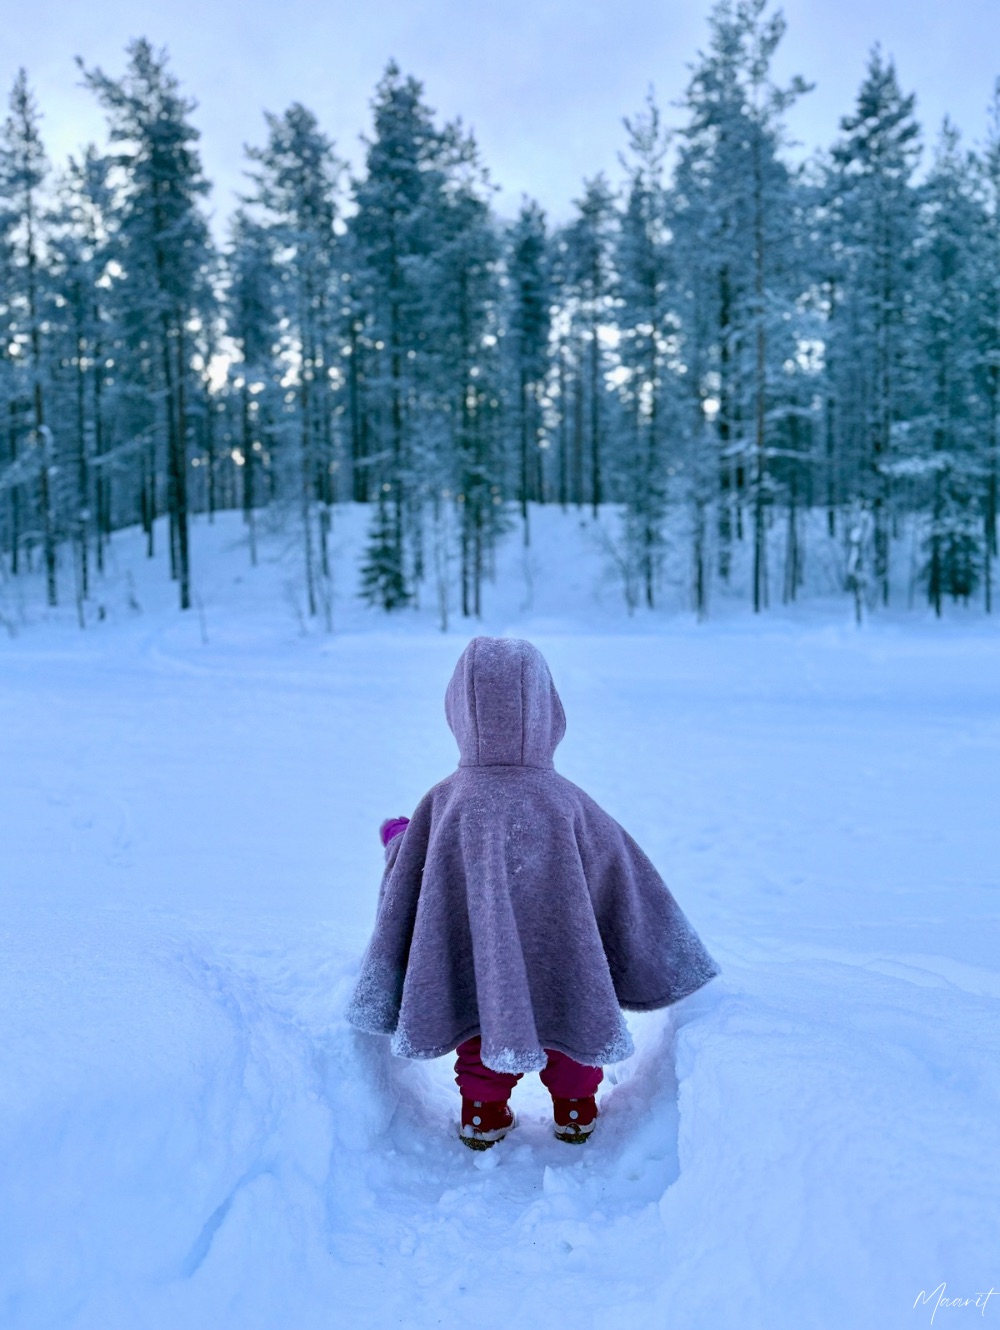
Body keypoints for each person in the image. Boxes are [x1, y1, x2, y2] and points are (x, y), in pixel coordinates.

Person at [346, 636, 718, 1149]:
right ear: (548, 710)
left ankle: (482, 1115)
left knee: (480, 1022)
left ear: (457, 711)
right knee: (572, 1024)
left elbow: (412, 873)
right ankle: (575, 1112)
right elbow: (621, 871)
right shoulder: (567, 802)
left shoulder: (445, 802)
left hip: (475, 959)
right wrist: (661, 943)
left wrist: (398, 842)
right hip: (565, 959)